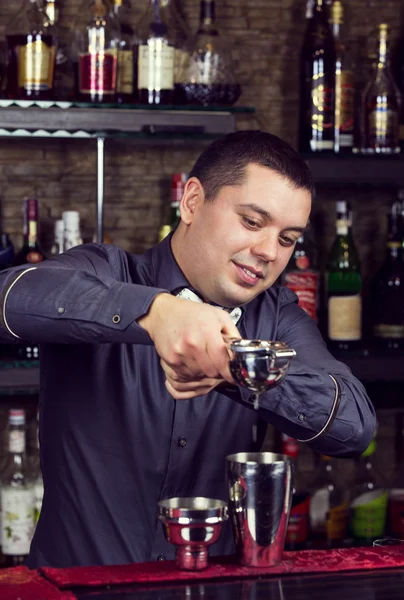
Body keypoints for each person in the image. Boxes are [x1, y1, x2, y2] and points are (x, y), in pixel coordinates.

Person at [0, 130, 375, 568]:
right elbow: (12, 297)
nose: (269, 251)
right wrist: (155, 312)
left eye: (288, 239)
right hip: (75, 590)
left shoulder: (276, 316)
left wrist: (237, 369)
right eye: (252, 222)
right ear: (192, 202)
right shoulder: (106, 271)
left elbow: (353, 426)